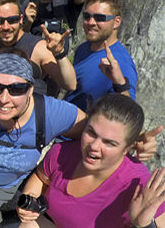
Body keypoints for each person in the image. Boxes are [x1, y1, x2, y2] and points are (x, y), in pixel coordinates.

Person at [0, 49, 159, 228]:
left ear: (31, 89)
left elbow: (104, 125)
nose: (4, 98)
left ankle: (1, 204)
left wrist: (134, 140)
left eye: (17, 89)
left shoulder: (52, 113)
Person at [17, 94, 165, 228]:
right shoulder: (63, 154)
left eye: (109, 143)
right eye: (91, 132)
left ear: (128, 148)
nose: (94, 146)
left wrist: (143, 225)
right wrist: (30, 197)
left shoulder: (139, 185)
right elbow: (42, 178)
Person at [65, 0, 137, 111]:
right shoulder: (84, 48)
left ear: (116, 22)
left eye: (100, 18)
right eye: (87, 16)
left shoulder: (120, 62)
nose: (91, 22)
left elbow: (128, 113)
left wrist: (120, 84)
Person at [0, 0, 76, 95]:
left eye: (12, 20)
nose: (6, 27)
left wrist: (60, 54)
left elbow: (70, 84)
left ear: (21, 19)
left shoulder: (38, 48)